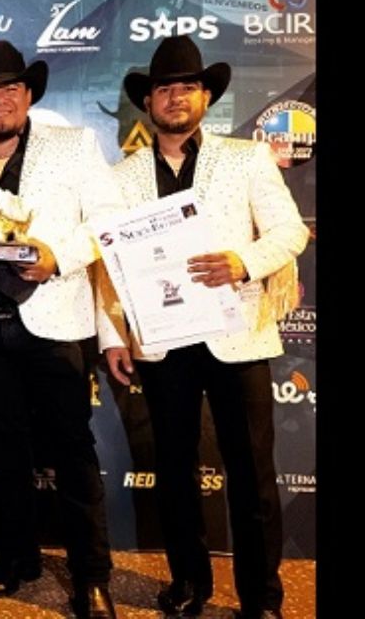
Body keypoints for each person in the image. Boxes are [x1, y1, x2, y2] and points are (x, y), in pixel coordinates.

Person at [100, 35, 308, 619]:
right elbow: (107, 264)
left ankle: (261, 597)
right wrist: (114, 335)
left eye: (187, 86)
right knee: (174, 471)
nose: (176, 97)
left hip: (237, 333)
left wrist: (244, 262)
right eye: (165, 88)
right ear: (149, 102)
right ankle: (189, 583)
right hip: (163, 341)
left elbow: (290, 232)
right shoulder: (120, 177)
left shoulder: (247, 158)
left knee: (252, 473)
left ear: (206, 96)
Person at [0, 40, 125, 618]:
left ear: (27, 96)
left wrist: (57, 258)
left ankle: (91, 576)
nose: (0, 99)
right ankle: (14, 558)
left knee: (72, 452)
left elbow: (109, 222)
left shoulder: (74, 146)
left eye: (11, 88)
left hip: (55, 322)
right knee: (3, 450)